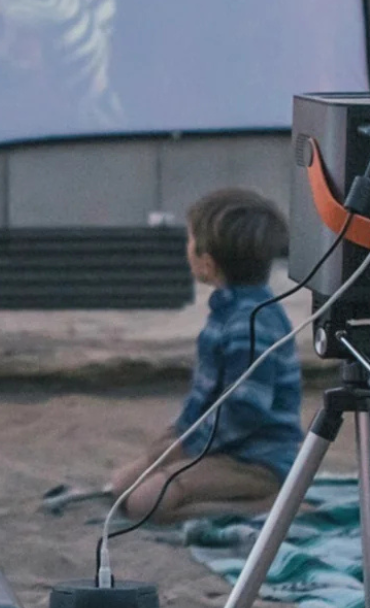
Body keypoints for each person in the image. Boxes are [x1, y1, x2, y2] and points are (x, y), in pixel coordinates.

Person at [109, 187, 302, 524]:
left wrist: (189, 447)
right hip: (219, 447)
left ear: (208, 263)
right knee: (122, 484)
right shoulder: (227, 311)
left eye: (189, 240)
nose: (186, 248)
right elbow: (206, 396)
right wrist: (177, 434)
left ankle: (268, 506)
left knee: (144, 504)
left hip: (254, 459)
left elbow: (245, 411)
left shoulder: (251, 323)